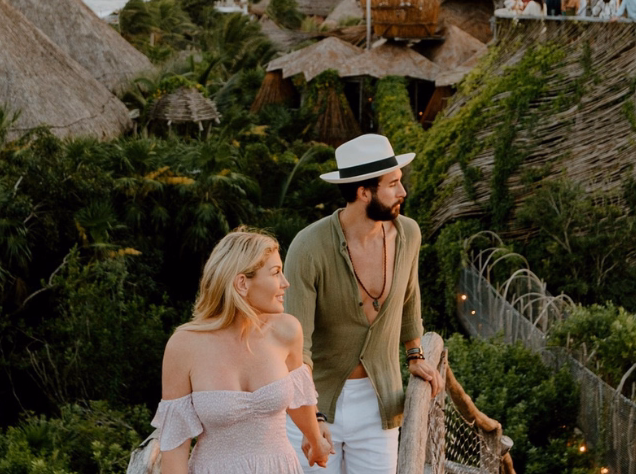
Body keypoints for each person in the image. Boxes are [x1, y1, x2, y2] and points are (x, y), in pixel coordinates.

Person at [285, 134, 442, 474]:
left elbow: (410, 297)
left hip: (380, 402)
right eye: (393, 184)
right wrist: (312, 415)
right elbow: (296, 343)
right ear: (363, 192)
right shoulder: (308, 247)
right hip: (319, 402)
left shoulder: (408, 234)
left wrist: (415, 354)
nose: (402, 193)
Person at [155, 229, 333, 473]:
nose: (285, 283)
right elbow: (175, 447)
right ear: (242, 283)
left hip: (279, 467)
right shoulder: (184, 345)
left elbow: (299, 399)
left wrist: (315, 440)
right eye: (276, 273)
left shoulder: (287, 330)